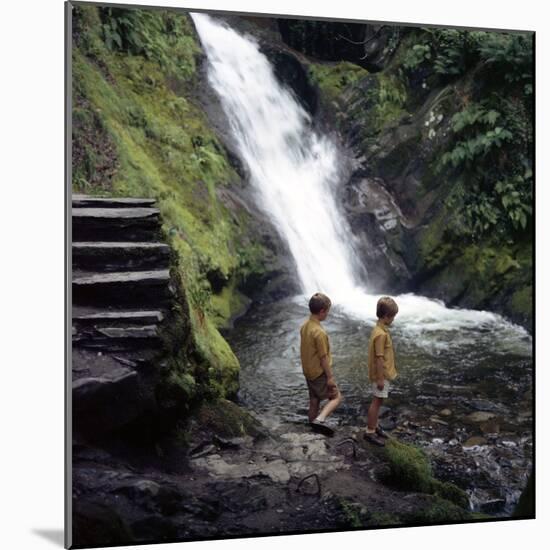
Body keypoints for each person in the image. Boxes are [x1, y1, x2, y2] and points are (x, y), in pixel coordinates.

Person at [300, 292, 342, 436]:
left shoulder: (305, 326)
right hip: (319, 372)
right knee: (336, 397)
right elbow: (323, 357)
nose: (328, 315)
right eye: (328, 311)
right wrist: (330, 377)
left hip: (308, 371)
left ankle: (312, 427)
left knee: (314, 399)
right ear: (322, 311)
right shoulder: (319, 332)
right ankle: (321, 419)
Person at [364, 296, 399, 446]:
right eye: (393, 317)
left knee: (379, 400)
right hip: (381, 373)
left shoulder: (378, 329)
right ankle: (370, 431)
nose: (393, 320)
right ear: (386, 316)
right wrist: (379, 378)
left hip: (382, 373)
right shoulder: (381, 335)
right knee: (377, 401)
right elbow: (379, 357)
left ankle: (375, 425)